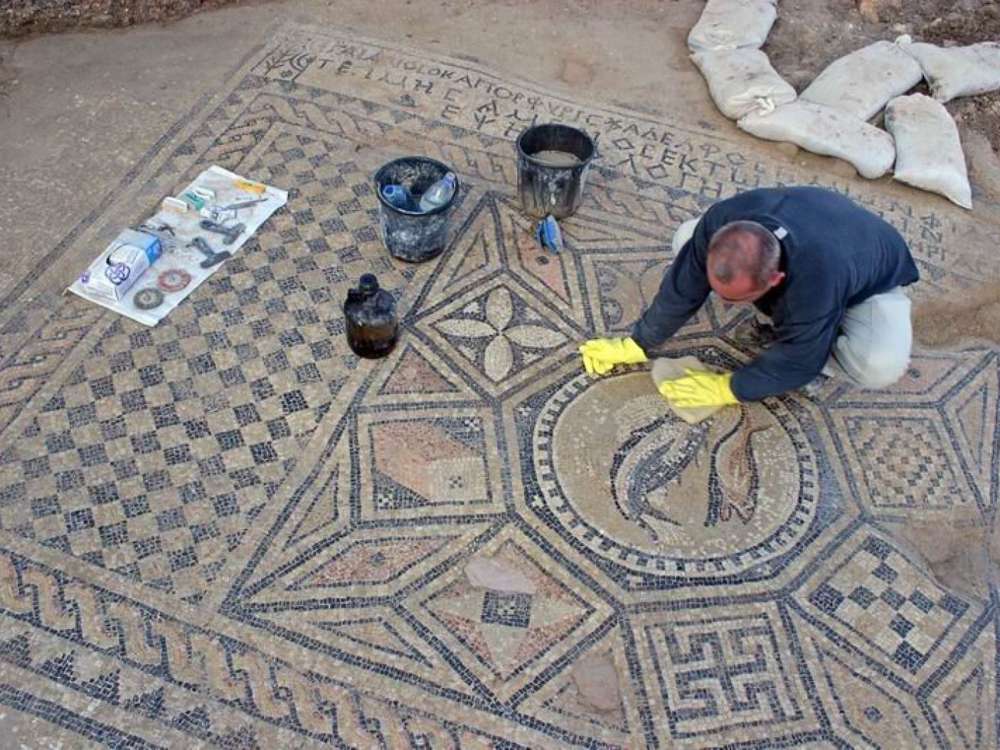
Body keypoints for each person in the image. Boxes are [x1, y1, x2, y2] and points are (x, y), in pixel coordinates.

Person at [579, 186, 920, 407]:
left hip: (867, 274)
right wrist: (638, 341)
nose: (724, 305)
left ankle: (833, 343)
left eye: (735, 299)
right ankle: (779, 312)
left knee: (878, 364)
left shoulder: (816, 278)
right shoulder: (723, 219)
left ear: (776, 277)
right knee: (687, 239)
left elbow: (799, 361)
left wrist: (730, 388)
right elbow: (683, 284)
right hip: (817, 227)